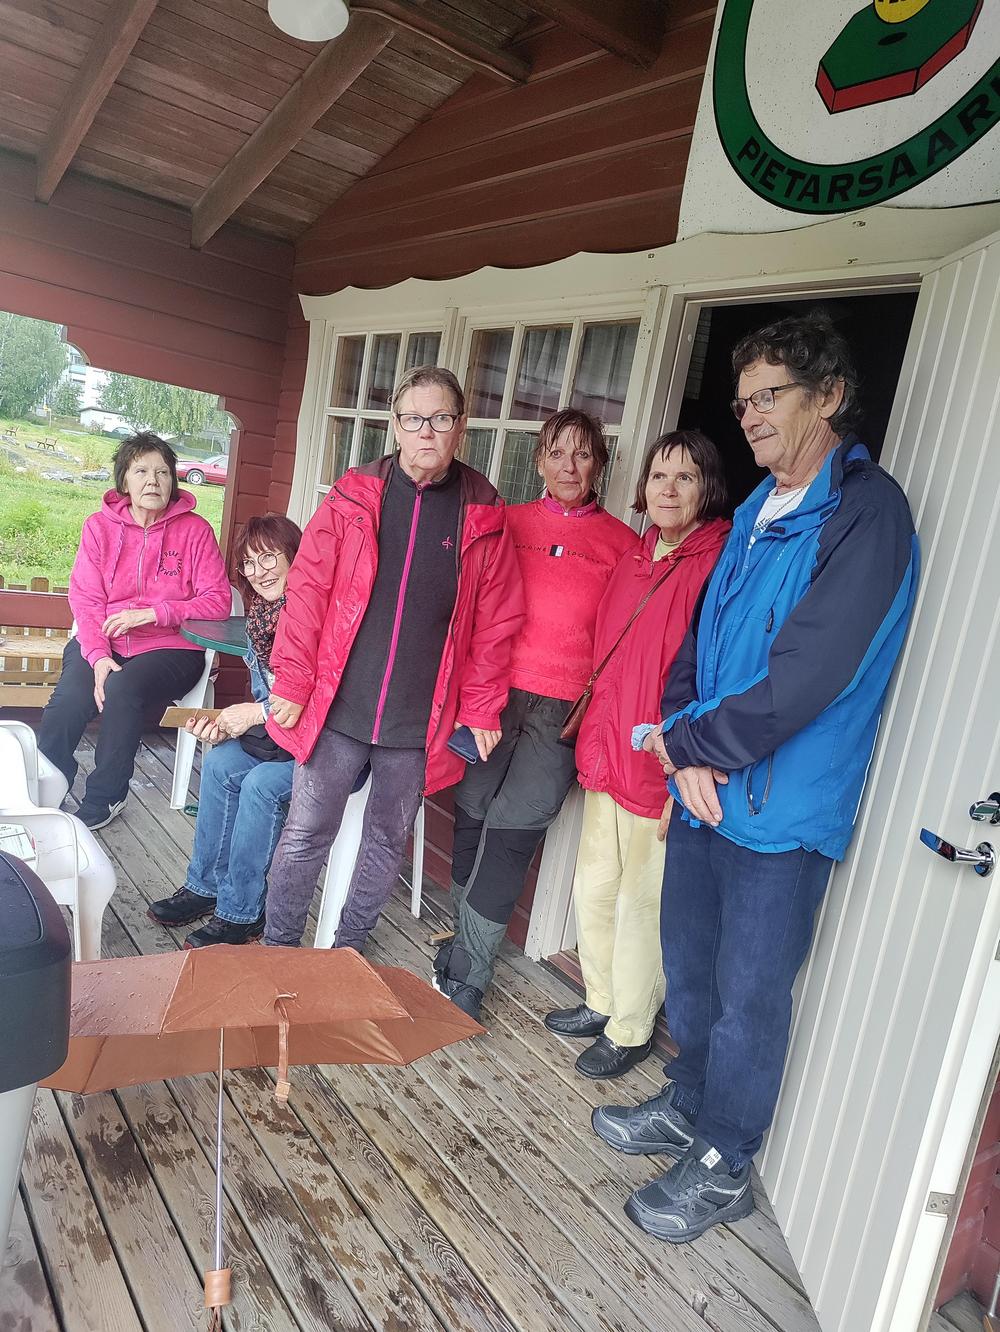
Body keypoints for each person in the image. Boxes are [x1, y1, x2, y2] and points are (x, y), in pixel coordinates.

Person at [591, 313, 919, 1243]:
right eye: (742, 403)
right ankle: (690, 1100)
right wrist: (681, 740)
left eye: (769, 396)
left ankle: (725, 1158)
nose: (750, 417)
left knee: (749, 996)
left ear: (830, 397)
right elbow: (696, 646)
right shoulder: (753, 512)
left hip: (779, 811)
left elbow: (807, 676)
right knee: (691, 969)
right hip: (706, 791)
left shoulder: (865, 513)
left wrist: (692, 747)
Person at [262, 365, 524, 954]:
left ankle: (349, 949)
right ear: (396, 427)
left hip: (417, 721)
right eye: (414, 419)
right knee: (306, 833)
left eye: (440, 418)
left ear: (460, 427)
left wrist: (481, 708)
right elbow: (308, 591)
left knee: (385, 841)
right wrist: (295, 679)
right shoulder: (354, 495)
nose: (426, 431)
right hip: (338, 705)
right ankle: (278, 949)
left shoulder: (483, 511)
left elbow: (496, 623)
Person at [433, 408, 638, 1022]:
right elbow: (468, 605)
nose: (569, 466)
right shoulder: (509, 522)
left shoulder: (622, 545)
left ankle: (470, 972)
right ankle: (460, 941)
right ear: (539, 461)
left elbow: (625, 641)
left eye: (582, 454)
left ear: (599, 464)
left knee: (512, 831)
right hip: (491, 696)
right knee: (472, 813)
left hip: (563, 711)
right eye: (556, 453)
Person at [544, 431, 730, 1079]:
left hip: (660, 766)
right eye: (658, 477)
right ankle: (599, 999)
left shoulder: (717, 563)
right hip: (606, 753)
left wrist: (687, 761)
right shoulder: (634, 556)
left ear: (707, 487)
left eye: (685, 477)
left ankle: (630, 1027)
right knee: (594, 888)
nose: (668, 490)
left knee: (640, 904)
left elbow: (715, 675)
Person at [38, 432, 230, 830]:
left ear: (173, 480)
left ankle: (106, 797)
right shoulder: (99, 528)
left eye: (163, 472)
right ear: (124, 479)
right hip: (103, 641)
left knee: (123, 689)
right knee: (69, 700)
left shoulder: (195, 531)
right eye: (141, 471)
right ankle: (47, 786)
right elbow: (86, 599)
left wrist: (154, 613)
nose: (153, 481)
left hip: (171, 647)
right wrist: (98, 656)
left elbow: (218, 602)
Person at [147, 514, 302, 947]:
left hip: (323, 749)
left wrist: (255, 714)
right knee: (219, 763)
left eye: (269, 558)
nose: (259, 572)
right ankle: (205, 887)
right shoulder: (260, 620)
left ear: (296, 557)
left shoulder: (316, 619)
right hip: (279, 741)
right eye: (249, 564)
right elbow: (267, 704)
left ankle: (243, 912)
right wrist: (227, 727)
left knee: (260, 784)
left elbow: (324, 703)